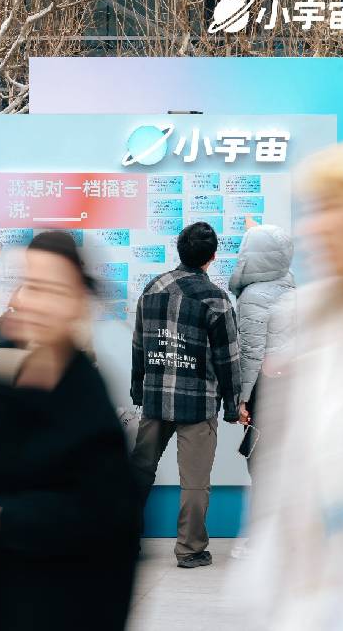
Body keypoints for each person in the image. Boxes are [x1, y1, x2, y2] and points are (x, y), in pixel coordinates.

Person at [0, 231, 140, 630]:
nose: (27, 299)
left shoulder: (88, 401)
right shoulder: (12, 383)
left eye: (48, 289)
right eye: (27, 284)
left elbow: (102, 520)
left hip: (68, 606)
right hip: (5, 597)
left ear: (76, 304)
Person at [240, 141, 343, 628]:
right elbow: (286, 485)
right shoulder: (305, 311)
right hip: (308, 600)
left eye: (332, 208)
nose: (315, 227)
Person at [130, 221, 241, 568]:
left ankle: (123, 540)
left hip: (155, 398)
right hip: (198, 403)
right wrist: (232, 406)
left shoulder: (153, 288)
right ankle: (190, 549)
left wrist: (138, 390)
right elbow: (228, 359)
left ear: (179, 250)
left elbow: (139, 345)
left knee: (139, 472)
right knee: (194, 483)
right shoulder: (216, 299)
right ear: (212, 256)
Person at [227, 219, 295, 560]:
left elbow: (250, 353)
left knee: (261, 465)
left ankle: (262, 541)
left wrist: (241, 399)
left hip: (263, 390)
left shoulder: (253, 297)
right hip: (290, 388)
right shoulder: (292, 289)